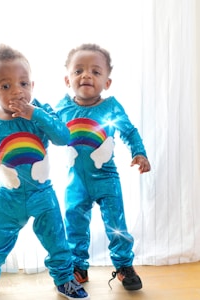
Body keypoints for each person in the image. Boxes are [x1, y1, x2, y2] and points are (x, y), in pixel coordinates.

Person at [0, 44, 89, 300]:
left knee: (57, 241)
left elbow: (63, 137)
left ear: (32, 85)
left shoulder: (41, 112)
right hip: (8, 198)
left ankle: (64, 279)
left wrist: (36, 115)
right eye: (5, 86)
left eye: (24, 83)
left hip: (43, 195)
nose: (17, 91)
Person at [55, 43, 151, 291]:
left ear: (107, 83)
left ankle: (123, 266)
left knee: (115, 223)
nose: (86, 75)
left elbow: (129, 131)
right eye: (79, 71)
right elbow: (45, 130)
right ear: (68, 79)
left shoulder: (111, 107)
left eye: (96, 72)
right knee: (74, 222)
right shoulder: (62, 108)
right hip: (75, 180)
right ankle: (78, 267)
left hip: (106, 179)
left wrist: (139, 153)